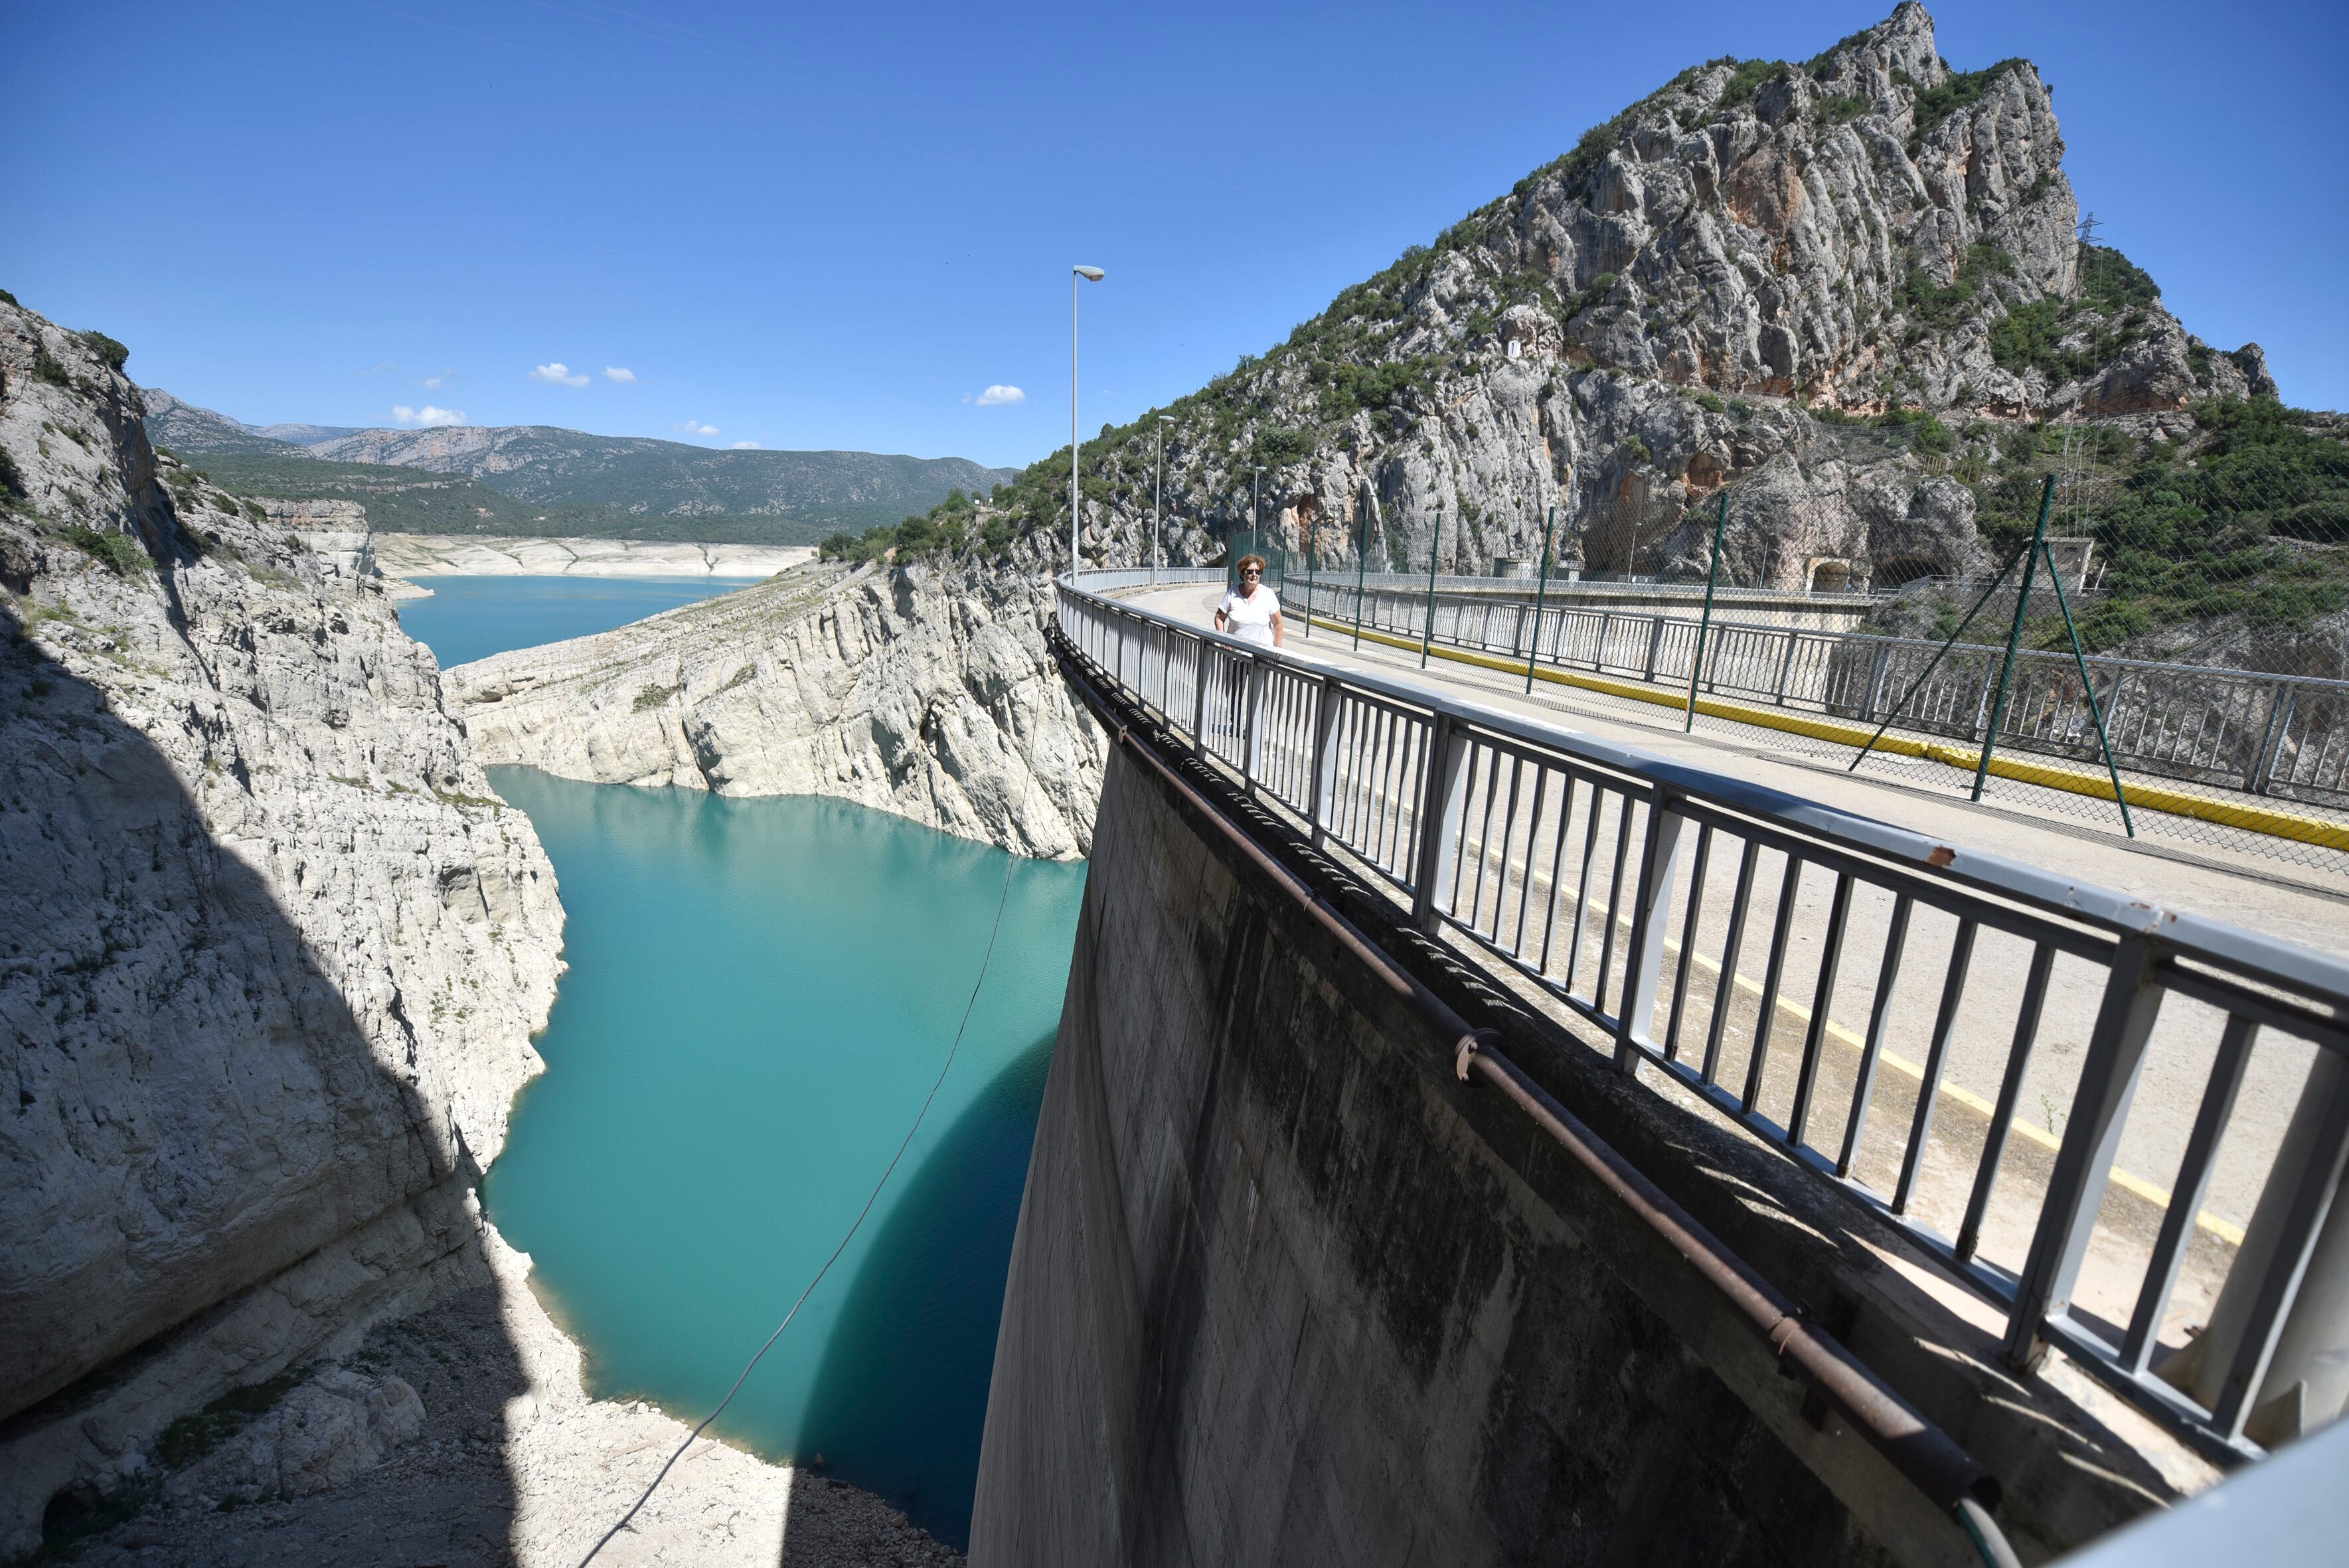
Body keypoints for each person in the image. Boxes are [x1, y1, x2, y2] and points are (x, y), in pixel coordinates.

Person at [1215, 554, 1284, 648]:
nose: (1254, 575)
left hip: (1261, 656)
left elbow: (1278, 624)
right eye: (1250, 572)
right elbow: (1219, 618)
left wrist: (1277, 651)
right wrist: (1223, 640)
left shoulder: (1269, 594)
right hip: (1235, 656)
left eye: (1258, 572)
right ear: (1242, 573)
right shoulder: (1232, 593)